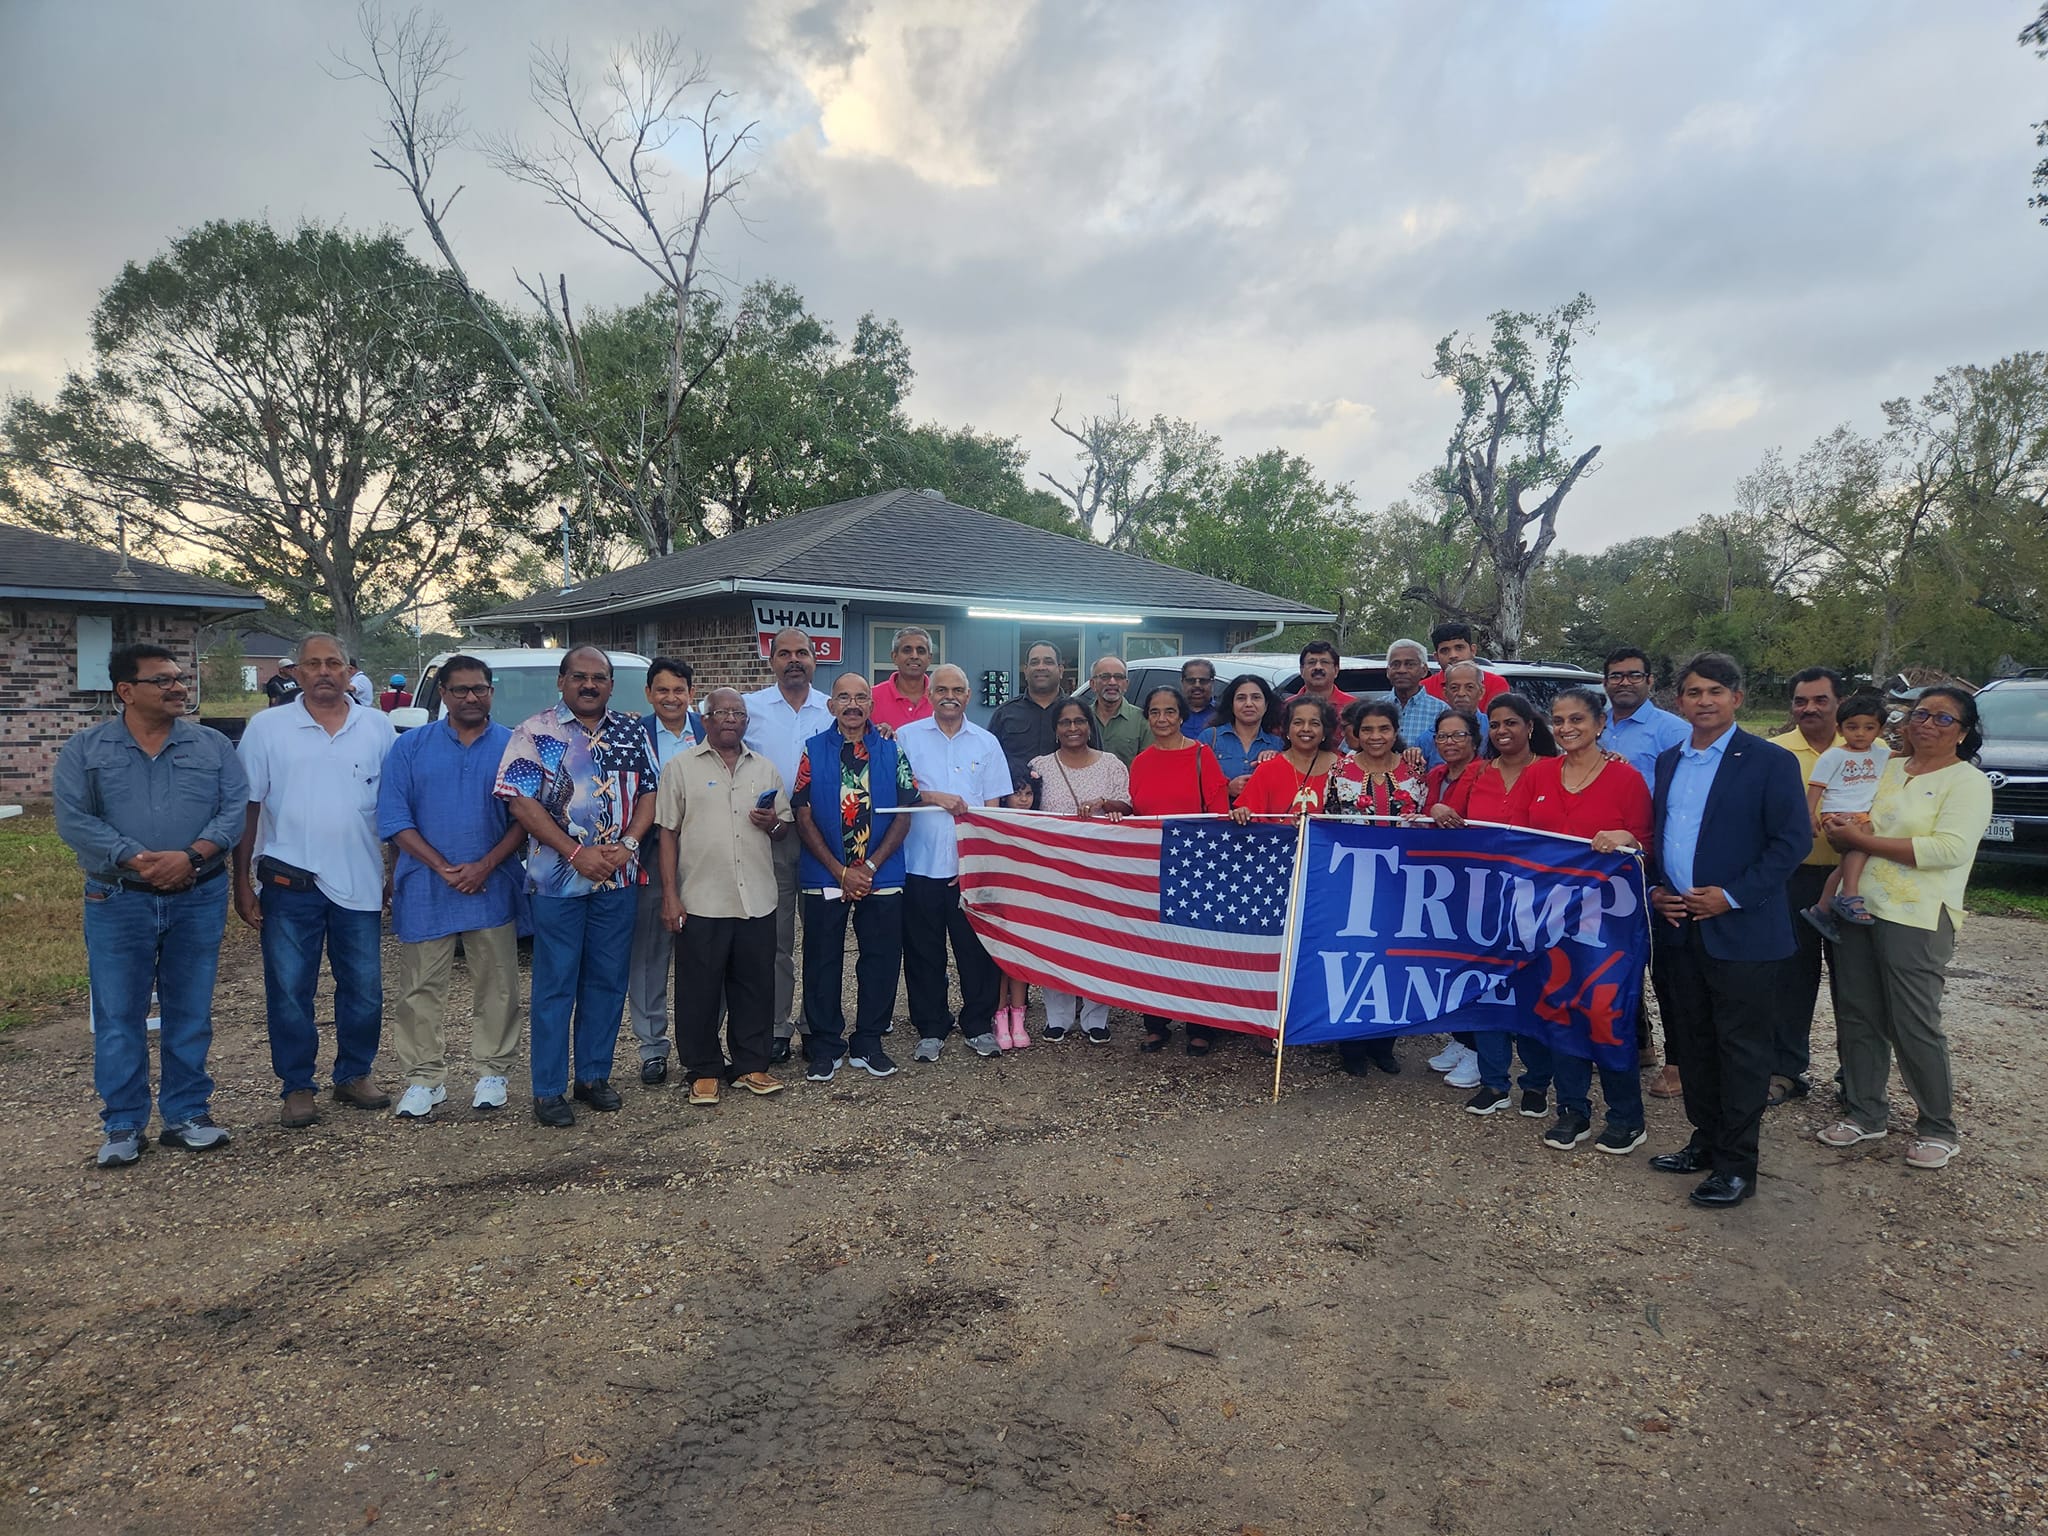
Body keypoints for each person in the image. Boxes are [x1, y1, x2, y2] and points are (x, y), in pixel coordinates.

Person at [53, 643, 247, 1166]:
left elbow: (233, 811)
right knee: (120, 1015)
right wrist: (138, 860)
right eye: (162, 680)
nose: (178, 687)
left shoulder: (212, 746)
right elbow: (74, 821)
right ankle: (122, 1125)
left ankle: (187, 1114)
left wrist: (190, 856)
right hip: (117, 899)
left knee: (190, 1011)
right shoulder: (85, 751)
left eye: (179, 677)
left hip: (198, 895)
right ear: (126, 691)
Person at [1644, 653, 1811, 1210]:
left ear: (1737, 697)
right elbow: (1662, 837)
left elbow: (1791, 843)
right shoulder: (1669, 760)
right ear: (1679, 701)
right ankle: (1706, 1140)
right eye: (1693, 692)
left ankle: (1738, 1165)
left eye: (1716, 691)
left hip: (1742, 931)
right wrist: (1658, 889)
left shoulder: (1769, 761)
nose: (1705, 701)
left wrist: (1732, 895)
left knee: (1741, 1050)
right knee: (1691, 1042)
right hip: (1679, 927)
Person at [1816, 686, 1992, 1172]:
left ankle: (1937, 1126)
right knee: (1857, 1012)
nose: (1928, 725)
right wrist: (1842, 827)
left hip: (1917, 915)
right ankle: (1865, 1111)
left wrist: (1859, 837)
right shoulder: (1888, 768)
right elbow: (1856, 816)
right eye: (1921, 714)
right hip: (1859, 906)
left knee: (1913, 1021)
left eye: (1943, 718)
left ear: (1964, 731)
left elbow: (1948, 850)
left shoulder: (1967, 782)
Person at [234, 632, 398, 1128]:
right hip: (289, 883)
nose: (325, 671)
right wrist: (240, 881)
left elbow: (394, 807)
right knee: (289, 990)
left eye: (335, 663)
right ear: (296, 672)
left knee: (365, 989)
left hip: (361, 881)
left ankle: (354, 1074)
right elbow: (249, 808)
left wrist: (393, 871)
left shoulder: (379, 728)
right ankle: (298, 1085)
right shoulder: (267, 728)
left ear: (351, 671)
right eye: (313, 664)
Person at [495, 644, 658, 1128]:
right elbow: (520, 804)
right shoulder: (535, 731)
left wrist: (628, 844)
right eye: (580, 677)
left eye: (599, 678)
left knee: (607, 981)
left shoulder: (631, 729)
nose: (590, 685)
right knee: (555, 985)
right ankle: (548, 1089)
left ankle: (593, 1076)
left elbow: (650, 791)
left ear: (610, 684)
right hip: (559, 881)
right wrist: (576, 853)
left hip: (619, 877)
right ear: (562, 681)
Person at [1504, 686, 1656, 1155]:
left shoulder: (1626, 780)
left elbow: (1647, 844)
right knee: (1558, 1009)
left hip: (1608, 926)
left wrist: (1626, 835)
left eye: (1577, 720)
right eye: (1559, 720)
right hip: (1550, 920)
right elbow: (1515, 839)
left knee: (1606, 1013)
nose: (1567, 728)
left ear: (1599, 723)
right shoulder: (1539, 774)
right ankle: (1572, 1109)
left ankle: (1626, 1116)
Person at [375, 654, 525, 1120]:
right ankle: (424, 1079)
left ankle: (492, 1071)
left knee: (498, 984)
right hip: (425, 885)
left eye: (480, 688)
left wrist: (483, 866)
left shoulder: (513, 747)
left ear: (491, 692)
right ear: (443, 694)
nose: (471, 697)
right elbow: (395, 818)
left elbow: (526, 818)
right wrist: (443, 867)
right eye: (460, 689)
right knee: (420, 988)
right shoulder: (411, 748)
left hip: (492, 884)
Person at [655, 687, 792, 1107]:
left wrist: (771, 823)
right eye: (721, 713)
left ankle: (751, 1065)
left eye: (738, 713)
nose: (730, 719)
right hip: (701, 898)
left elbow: (783, 826)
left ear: (746, 722)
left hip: (756, 897)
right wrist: (670, 896)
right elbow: (667, 833)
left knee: (755, 985)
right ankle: (704, 1069)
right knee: (699, 989)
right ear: (706, 719)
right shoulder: (680, 768)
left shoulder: (764, 769)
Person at [794, 673, 920, 1081]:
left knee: (881, 960)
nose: (852, 704)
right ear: (831, 706)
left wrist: (869, 867)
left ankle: (869, 1040)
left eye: (861, 697)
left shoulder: (892, 751)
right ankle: (826, 1044)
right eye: (843, 697)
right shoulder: (813, 750)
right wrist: (840, 870)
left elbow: (906, 812)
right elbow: (803, 812)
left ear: (871, 705)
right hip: (825, 874)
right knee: (822, 959)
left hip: (881, 874)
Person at [1437, 693, 1556, 1097]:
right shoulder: (1479, 772)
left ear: (1530, 726)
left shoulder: (1553, 770)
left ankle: (1537, 1084)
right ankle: (1493, 1080)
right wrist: (1437, 810)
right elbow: (1450, 810)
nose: (1503, 731)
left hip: (1536, 899)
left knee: (1530, 989)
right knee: (1485, 987)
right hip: (1483, 897)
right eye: (1496, 724)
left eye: (1511, 723)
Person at [897, 664, 1013, 1061]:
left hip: (968, 869)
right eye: (942, 688)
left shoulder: (986, 743)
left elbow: (994, 809)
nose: (950, 695)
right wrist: (935, 797)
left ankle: (978, 1024)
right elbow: (899, 794)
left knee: (974, 951)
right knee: (922, 951)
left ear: (968, 696)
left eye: (958, 689)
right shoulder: (906, 738)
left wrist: (978, 863)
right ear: (930, 695)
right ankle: (931, 1026)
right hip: (919, 864)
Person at [743, 627, 833, 1062]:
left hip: (822, 835)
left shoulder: (833, 709)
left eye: (802, 653)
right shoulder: (750, 709)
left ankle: (816, 1023)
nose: (794, 660)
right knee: (776, 940)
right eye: (785, 653)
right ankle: (777, 1026)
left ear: (815, 659)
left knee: (820, 936)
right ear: (771, 659)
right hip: (771, 836)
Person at [1128, 684, 1232, 1055]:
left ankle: (1200, 1024)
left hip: (1197, 865)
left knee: (1196, 945)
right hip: (1152, 867)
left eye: (1169, 712)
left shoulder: (1203, 756)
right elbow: (1136, 814)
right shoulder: (1140, 762)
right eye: (1154, 712)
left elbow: (1219, 813)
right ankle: (1155, 1022)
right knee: (1154, 946)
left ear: (1182, 716)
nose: (1161, 719)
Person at [1765, 665, 1846, 1104]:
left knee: (1852, 983)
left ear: (1839, 703)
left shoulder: (1872, 754)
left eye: (1820, 700)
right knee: (1790, 979)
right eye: (1800, 701)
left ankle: (1856, 1078)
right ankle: (1785, 1070)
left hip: (1852, 880)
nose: (1809, 708)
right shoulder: (1775, 754)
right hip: (1792, 878)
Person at [1030, 698, 1132, 1044]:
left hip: (1101, 871)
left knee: (1100, 942)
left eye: (1079, 721)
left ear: (1090, 726)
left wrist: (1107, 806)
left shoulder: (1111, 764)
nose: (1072, 728)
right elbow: (1024, 809)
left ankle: (1095, 1016)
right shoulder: (1040, 766)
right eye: (1064, 722)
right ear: (1055, 729)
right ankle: (1057, 1016)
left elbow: (1129, 805)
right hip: (1053, 871)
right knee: (1055, 940)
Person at [627, 658, 704, 1085]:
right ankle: (652, 1046)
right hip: (649, 853)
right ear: (648, 693)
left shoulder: (709, 730)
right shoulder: (630, 736)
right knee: (649, 954)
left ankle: (705, 1039)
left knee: (707, 950)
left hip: (703, 850)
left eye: (679, 690)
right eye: (662, 690)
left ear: (691, 692)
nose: (671, 698)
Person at [1419, 707, 1486, 1084]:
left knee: (1474, 964)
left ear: (1474, 740)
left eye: (1458, 735)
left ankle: (1480, 1051)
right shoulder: (1435, 775)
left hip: (1472, 879)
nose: (1449, 743)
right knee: (1449, 964)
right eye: (1443, 736)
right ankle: (1461, 1037)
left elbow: (1476, 819)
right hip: (1440, 881)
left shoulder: (1485, 773)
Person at [1798, 692, 1893, 941]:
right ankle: (1850, 896)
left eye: (1869, 727)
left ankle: (1822, 907)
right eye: (1852, 727)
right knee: (1863, 841)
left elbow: (1906, 758)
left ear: (1880, 730)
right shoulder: (1834, 756)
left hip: (1863, 814)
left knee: (1847, 862)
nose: (1860, 733)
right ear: (1840, 728)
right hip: (1838, 813)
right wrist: (1809, 814)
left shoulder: (1881, 754)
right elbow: (1816, 787)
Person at [1231, 696, 1343, 818]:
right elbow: (1248, 814)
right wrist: (1242, 814)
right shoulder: (1268, 769)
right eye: (1298, 723)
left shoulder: (1342, 769)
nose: (1306, 729)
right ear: (1287, 730)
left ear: (1325, 731)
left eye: (1314, 723)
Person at [1599, 647, 1689, 785]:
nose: (1625, 682)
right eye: (1616, 676)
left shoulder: (1675, 732)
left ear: (1649, 681)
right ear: (1605, 683)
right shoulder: (1593, 727)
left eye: (1635, 676)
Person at [989, 641, 1069, 790]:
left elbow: (1095, 757)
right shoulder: (1005, 713)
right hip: (1018, 803)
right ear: (1026, 671)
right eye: (1034, 662)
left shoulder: (1076, 713)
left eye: (1048, 661)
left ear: (1061, 669)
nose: (1041, 667)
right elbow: (988, 761)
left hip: (1065, 804)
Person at [1330, 697, 1427, 818]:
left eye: (1384, 729)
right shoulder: (1339, 771)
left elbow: (1427, 813)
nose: (1375, 736)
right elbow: (1330, 821)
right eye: (1367, 730)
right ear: (1357, 734)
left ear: (1395, 733)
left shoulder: (1414, 769)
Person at [1201, 674, 1285, 802]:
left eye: (1256, 698)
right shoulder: (1210, 737)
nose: (1248, 704)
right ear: (1231, 704)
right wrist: (1227, 788)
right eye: (1241, 698)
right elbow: (1193, 783)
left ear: (1266, 704)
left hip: (1262, 819)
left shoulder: (1278, 744)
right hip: (1218, 819)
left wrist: (1277, 760)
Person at [1383, 639, 1449, 769]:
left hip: (1427, 785)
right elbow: (1352, 751)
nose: (1401, 670)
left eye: (1409, 664)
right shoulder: (1374, 709)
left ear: (1424, 670)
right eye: (1395, 664)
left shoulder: (1441, 711)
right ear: (1388, 671)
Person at [1421, 622, 1508, 704]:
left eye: (1459, 648)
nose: (1453, 655)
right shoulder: (1423, 689)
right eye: (1445, 650)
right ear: (1436, 657)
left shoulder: (1495, 684)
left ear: (1473, 650)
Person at [870, 625, 937, 730]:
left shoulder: (940, 697)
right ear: (894, 657)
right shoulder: (871, 698)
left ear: (929, 658)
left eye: (921, 651)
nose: (914, 656)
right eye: (907, 650)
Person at [1086, 655, 1147, 766]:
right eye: (1105, 677)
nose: (1112, 682)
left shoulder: (1142, 720)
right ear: (1092, 684)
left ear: (1126, 684)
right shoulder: (1082, 719)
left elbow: (1148, 765)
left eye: (1118, 677)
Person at [1438, 661, 1491, 750]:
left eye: (1469, 687)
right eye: (1454, 688)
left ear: (1481, 692)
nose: (1461, 693)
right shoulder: (1432, 734)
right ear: (1445, 693)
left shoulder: (1492, 729)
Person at [1288, 640, 1354, 711]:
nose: (1318, 667)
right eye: (1311, 662)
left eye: (1324, 662)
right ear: (1301, 670)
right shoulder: (1287, 707)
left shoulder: (1352, 707)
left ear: (1336, 670)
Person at [1180, 658, 1221, 734]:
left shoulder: (1223, 714)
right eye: (1191, 681)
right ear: (1182, 682)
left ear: (1212, 683)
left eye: (1203, 681)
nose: (1197, 685)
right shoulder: (1171, 714)